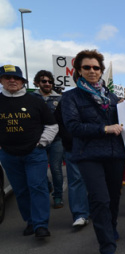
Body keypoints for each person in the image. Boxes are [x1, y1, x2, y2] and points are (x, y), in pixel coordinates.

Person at [61, 50, 125, 254]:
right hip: (88, 155)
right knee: (100, 200)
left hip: (115, 155)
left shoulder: (112, 97)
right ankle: (106, 246)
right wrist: (104, 128)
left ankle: (111, 226)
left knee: (114, 198)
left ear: (101, 71)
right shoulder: (70, 97)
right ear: (78, 70)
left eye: (96, 68)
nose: (92, 71)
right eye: (86, 67)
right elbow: (73, 127)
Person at [0, 65, 58, 238]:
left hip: (34, 153)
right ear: (1, 80)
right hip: (9, 155)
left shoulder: (35, 101)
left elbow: (52, 124)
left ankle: (41, 225)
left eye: (16, 78)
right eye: (7, 77)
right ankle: (30, 222)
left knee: (37, 186)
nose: (12, 81)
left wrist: (41, 143)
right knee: (21, 190)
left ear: (22, 81)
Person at [54, 100, 90, 227]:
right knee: (76, 180)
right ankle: (80, 214)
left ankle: (97, 211)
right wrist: (69, 138)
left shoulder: (105, 97)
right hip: (73, 146)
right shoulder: (66, 99)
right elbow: (58, 122)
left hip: (98, 146)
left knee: (98, 180)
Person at [32, 70, 65, 209]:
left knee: (56, 169)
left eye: (50, 81)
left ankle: (58, 196)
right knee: (39, 169)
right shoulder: (31, 98)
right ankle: (48, 185)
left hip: (56, 140)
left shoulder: (60, 99)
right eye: (44, 81)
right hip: (36, 140)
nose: (47, 84)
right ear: (37, 83)